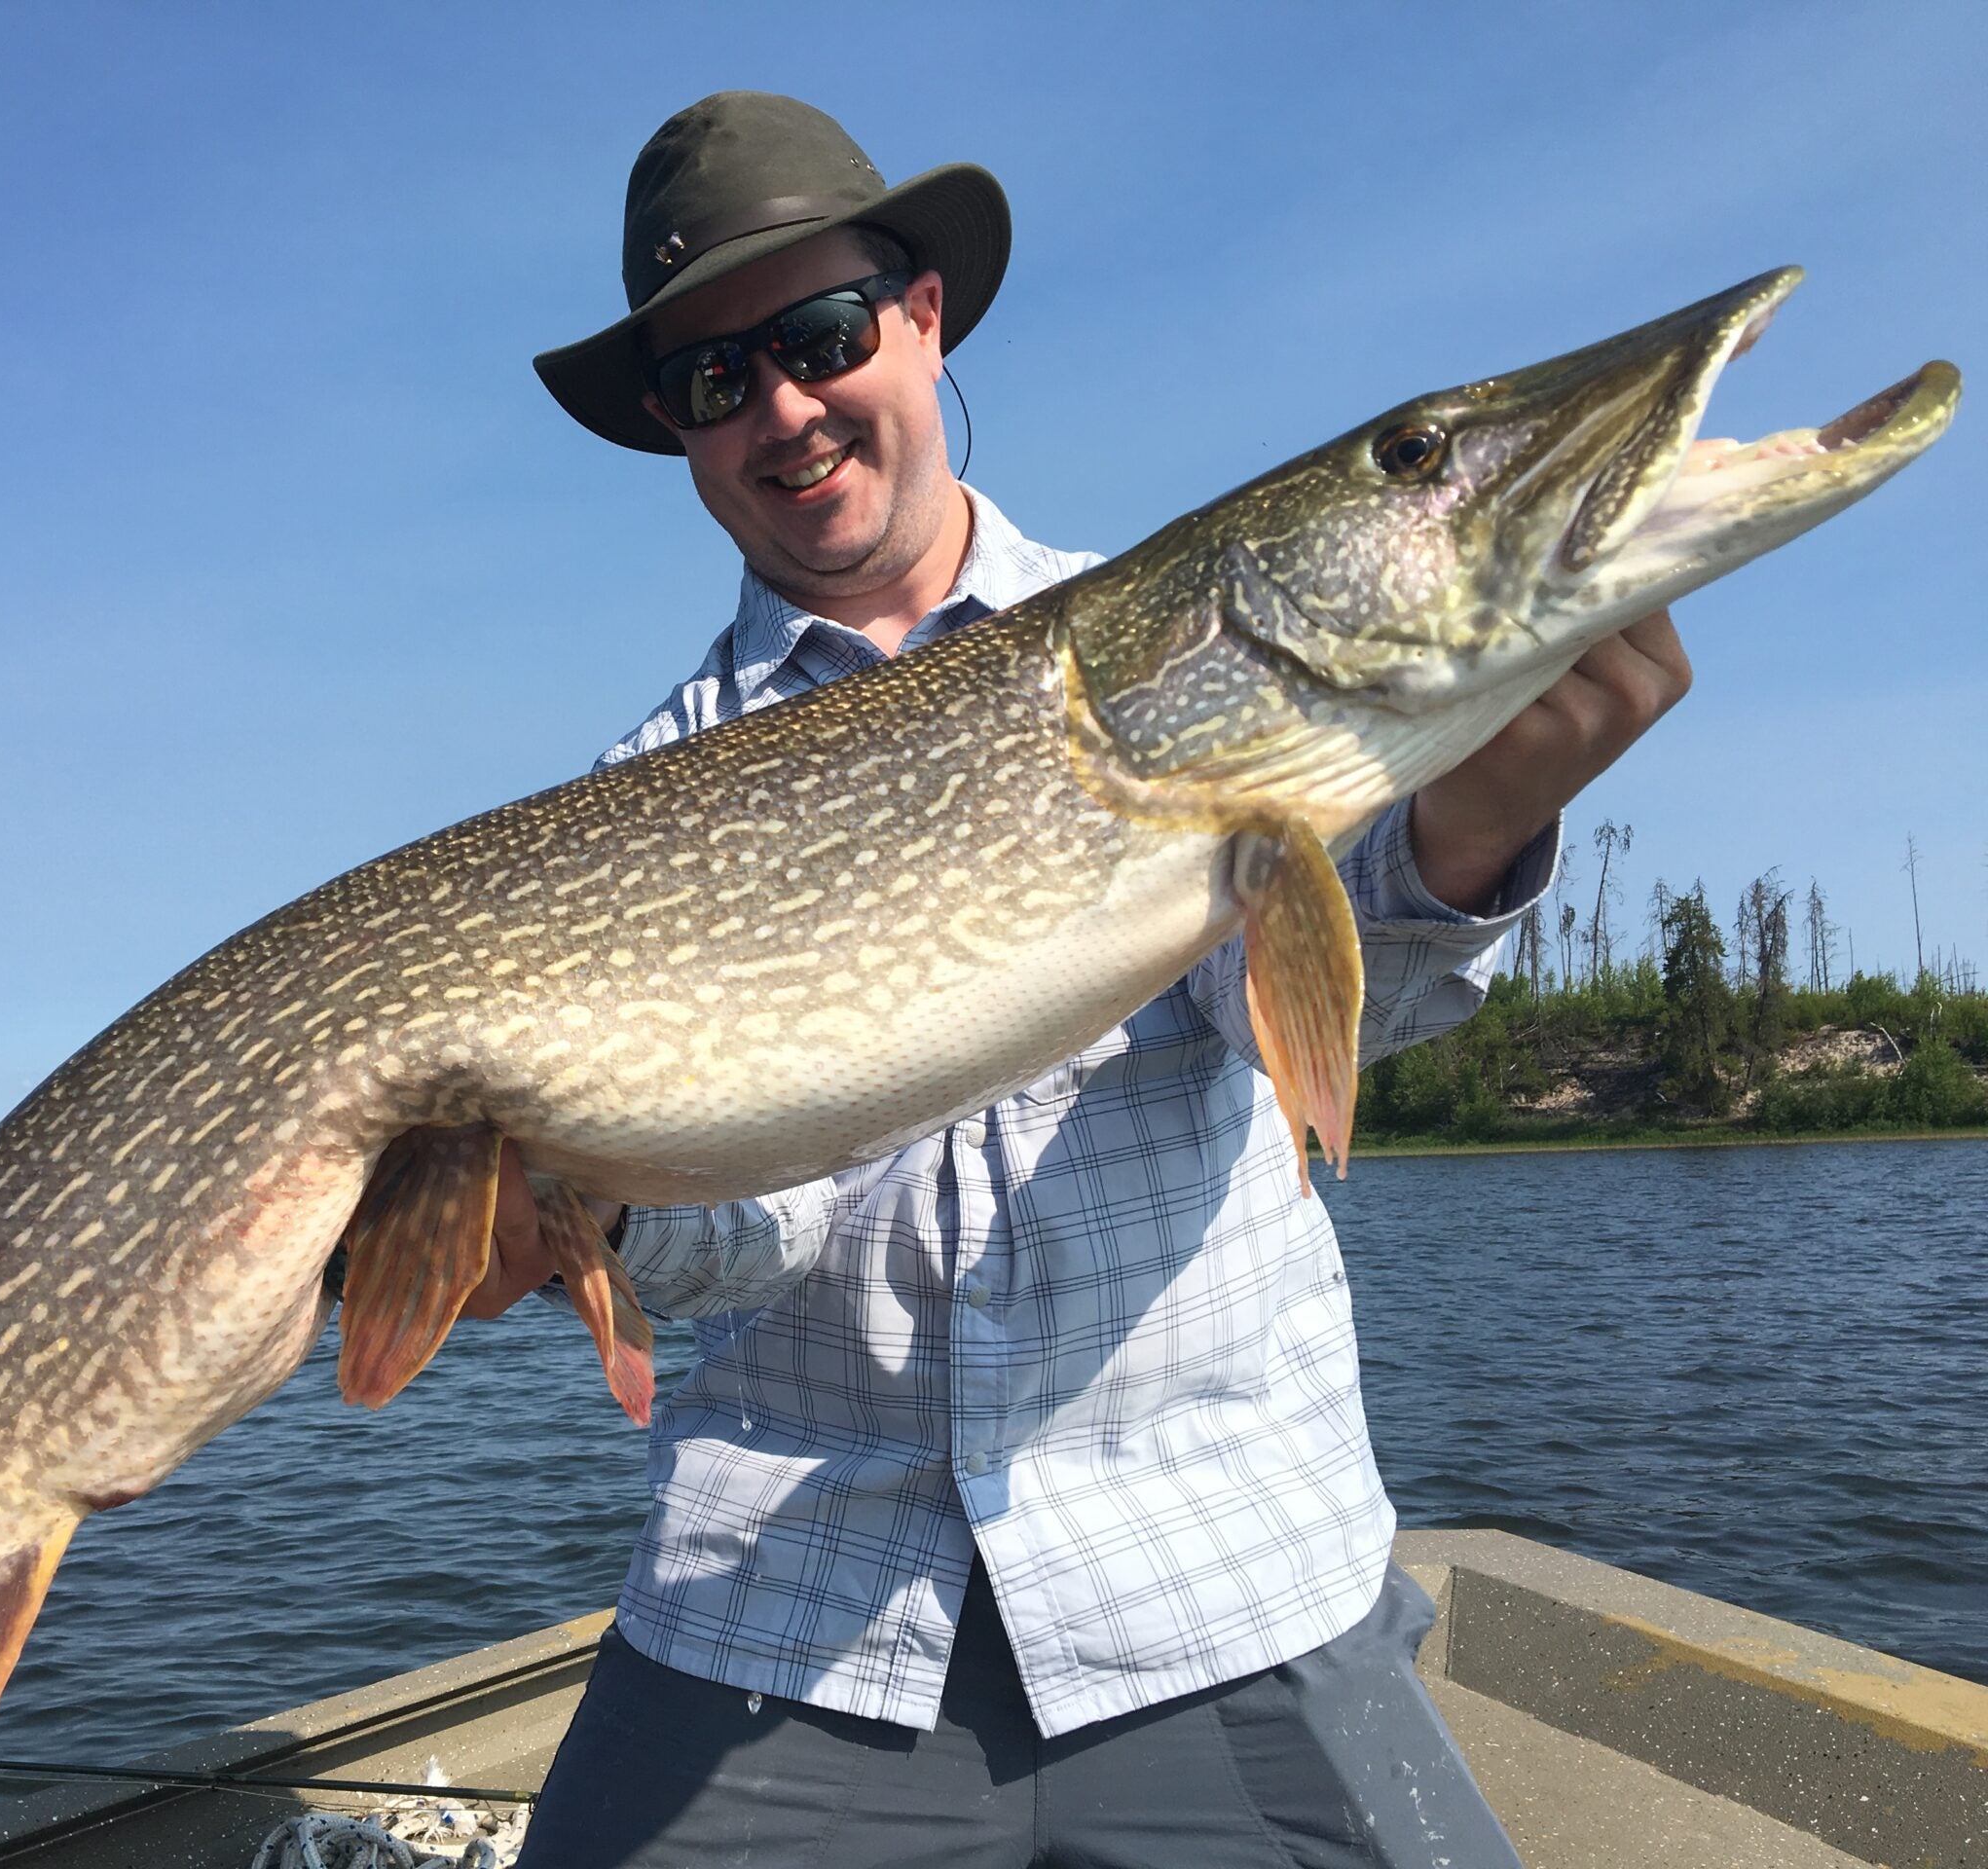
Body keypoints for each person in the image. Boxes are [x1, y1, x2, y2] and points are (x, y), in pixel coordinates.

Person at [479, 92, 1690, 1867]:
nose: (785, 411)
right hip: (791, 1603)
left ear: (924, 319)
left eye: (819, 339)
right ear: (676, 429)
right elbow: (755, 1231)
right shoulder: (645, 803)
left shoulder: (1163, 635)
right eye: (712, 383)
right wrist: (585, 1216)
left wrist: (1472, 827)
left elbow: (1349, 983)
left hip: (1210, 1562)